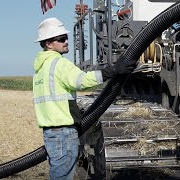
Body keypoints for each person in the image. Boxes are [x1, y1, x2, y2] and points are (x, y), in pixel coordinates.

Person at [33, 17, 136, 180]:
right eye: (61, 39)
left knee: (58, 174)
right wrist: (112, 71)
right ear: (48, 44)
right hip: (63, 133)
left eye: (65, 37)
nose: (66, 41)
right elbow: (81, 81)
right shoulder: (59, 64)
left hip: (51, 132)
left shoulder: (40, 68)